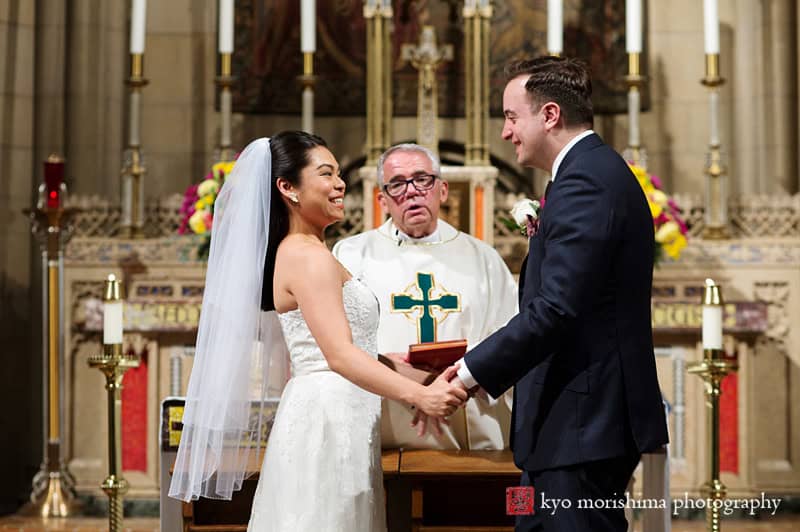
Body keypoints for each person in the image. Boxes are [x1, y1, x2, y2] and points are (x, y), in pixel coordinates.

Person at [168, 131, 467, 532]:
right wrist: (420, 397)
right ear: (288, 188)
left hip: (341, 414)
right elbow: (339, 356)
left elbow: (358, 350)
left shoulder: (310, 252)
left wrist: (439, 379)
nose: (340, 184)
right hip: (326, 421)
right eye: (326, 174)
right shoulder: (306, 256)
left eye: (338, 174)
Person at [452, 57, 669, 531]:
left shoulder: (587, 181)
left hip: (584, 425)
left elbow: (557, 307)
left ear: (549, 115)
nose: (506, 133)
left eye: (512, 117)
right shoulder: (587, 174)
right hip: (567, 426)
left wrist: (468, 374)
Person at [333, 143, 517, 450]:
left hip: (464, 411)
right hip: (384, 415)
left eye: (422, 179)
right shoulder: (352, 256)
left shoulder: (483, 258)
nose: (412, 191)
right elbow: (339, 340)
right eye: (397, 184)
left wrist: (464, 376)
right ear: (383, 200)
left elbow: (510, 336)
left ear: (442, 190)